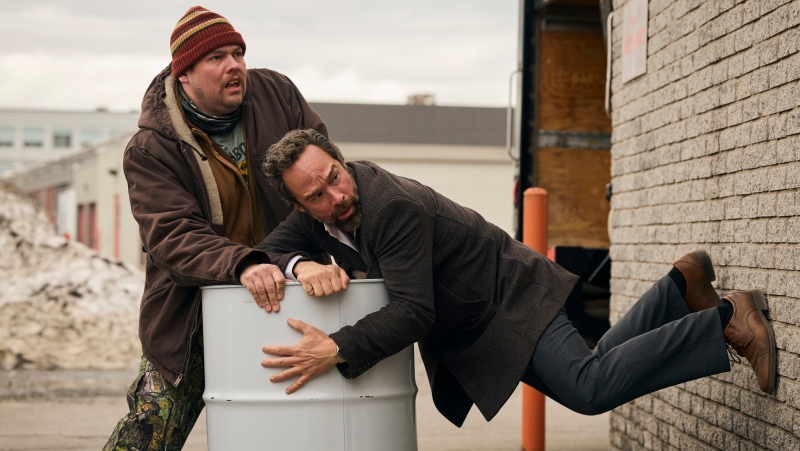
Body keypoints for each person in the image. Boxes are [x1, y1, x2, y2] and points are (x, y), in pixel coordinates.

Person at [256, 128, 776, 427]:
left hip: (512, 296)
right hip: (481, 320)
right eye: (317, 196)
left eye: (335, 177)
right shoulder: (317, 215)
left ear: (342, 162)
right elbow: (272, 249)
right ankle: (679, 288)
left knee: (590, 389)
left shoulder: (390, 206)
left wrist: (336, 346)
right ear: (300, 204)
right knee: (591, 373)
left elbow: (415, 310)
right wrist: (301, 265)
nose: (337, 196)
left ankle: (729, 319)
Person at [103, 7, 326, 450]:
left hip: (295, 294)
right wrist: (243, 262)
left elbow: (324, 173)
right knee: (147, 437)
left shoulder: (277, 95)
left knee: (299, 433)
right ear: (184, 74)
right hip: (193, 316)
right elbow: (173, 236)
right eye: (217, 58)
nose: (234, 66)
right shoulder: (151, 149)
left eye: (238, 53)